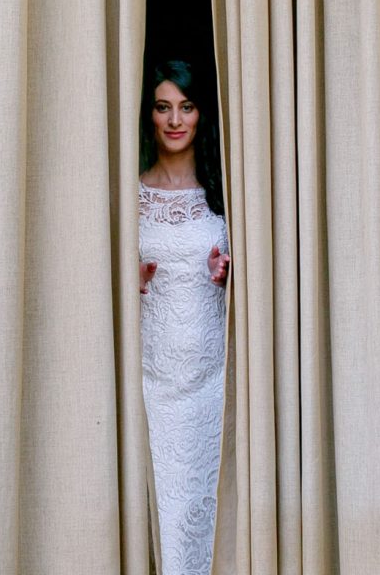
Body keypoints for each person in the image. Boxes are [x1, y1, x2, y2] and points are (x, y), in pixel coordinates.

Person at [138, 59, 230, 575]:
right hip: (151, 383)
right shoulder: (129, 194)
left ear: (201, 115)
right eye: (163, 107)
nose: (175, 120)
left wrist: (227, 274)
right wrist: (129, 282)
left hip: (210, 383)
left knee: (207, 512)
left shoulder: (226, 194)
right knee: (160, 514)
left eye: (186, 107)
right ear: (149, 115)